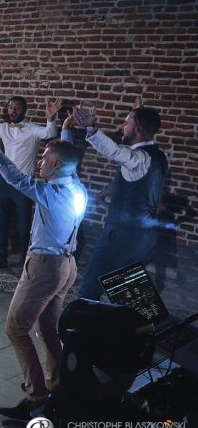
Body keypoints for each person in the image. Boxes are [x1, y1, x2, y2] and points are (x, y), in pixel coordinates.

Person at [0, 116, 86, 421]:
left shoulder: (53, 193)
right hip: (66, 265)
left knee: (15, 327)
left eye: (46, 157)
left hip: (45, 267)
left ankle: (37, 394)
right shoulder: (75, 185)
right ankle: (61, 387)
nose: (40, 160)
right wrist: (65, 129)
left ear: (57, 165)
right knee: (48, 327)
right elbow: (69, 154)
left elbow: (15, 178)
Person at [72, 104, 169, 299]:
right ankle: (138, 326)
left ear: (138, 129)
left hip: (122, 236)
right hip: (144, 236)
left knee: (89, 288)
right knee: (129, 291)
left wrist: (91, 128)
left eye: (127, 123)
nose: (123, 126)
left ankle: (82, 327)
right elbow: (141, 185)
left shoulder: (139, 157)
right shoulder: (160, 156)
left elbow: (115, 152)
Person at [0, 96, 60, 271]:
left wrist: (50, 118)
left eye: (17, 108)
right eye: (10, 107)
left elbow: (50, 133)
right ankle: (0, 258)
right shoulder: (2, 127)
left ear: (24, 110)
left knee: (24, 225)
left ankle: (27, 261)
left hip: (25, 184)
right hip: (4, 182)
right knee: (0, 221)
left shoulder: (32, 129)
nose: (13, 110)